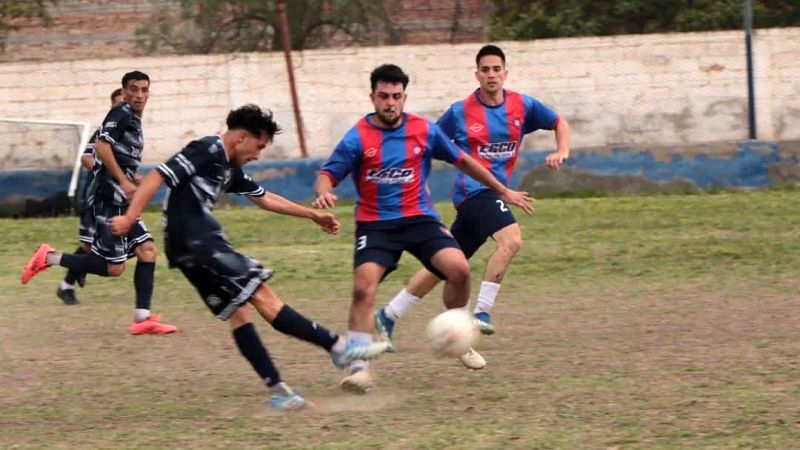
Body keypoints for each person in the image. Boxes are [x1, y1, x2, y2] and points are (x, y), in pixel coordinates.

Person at [107, 104, 390, 410]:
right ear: (241, 137)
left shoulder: (230, 167)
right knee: (262, 294)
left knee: (237, 312)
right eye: (259, 146)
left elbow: (265, 198)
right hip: (199, 243)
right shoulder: (207, 148)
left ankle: (280, 391)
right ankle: (337, 347)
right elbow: (155, 178)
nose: (258, 155)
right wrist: (130, 217)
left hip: (188, 248)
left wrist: (311, 215)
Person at [312, 64, 534, 393]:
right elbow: (327, 173)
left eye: (397, 96)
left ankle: (460, 333)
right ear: (372, 97)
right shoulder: (358, 136)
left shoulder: (423, 130)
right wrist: (324, 191)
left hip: (419, 219)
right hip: (376, 225)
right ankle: (359, 369)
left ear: (405, 97)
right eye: (384, 96)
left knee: (458, 268)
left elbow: (464, 161)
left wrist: (501, 190)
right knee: (363, 288)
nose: (390, 103)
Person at [375, 44, 571, 357]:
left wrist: (562, 150)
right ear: (476, 74)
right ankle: (481, 312)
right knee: (512, 240)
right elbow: (426, 144)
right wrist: (418, 182)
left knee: (446, 265)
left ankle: (389, 314)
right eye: (485, 69)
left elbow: (559, 122)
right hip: (473, 192)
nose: (491, 75)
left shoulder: (523, 105)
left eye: (497, 69)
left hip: (491, 194)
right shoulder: (460, 111)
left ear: (505, 73)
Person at [22, 71, 177, 335]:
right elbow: (101, 147)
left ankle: (142, 319)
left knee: (147, 251)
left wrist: (130, 179)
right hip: (110, 200)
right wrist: (123, 181)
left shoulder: (132, 119)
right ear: (124, 91)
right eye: (134, 89)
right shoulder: (122, 113)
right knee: (114, 267)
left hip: (121, 200)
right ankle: (48, 257)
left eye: (144, 90)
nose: (140, 95)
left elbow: (114, 153)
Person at [56, 88, 124, 305]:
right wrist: (104, 170)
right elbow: (86, 157)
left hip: (113, 201)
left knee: (94, 249)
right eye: (119, 104)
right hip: (95, 198)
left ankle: (71, 278)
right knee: (88, 247)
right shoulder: (104, 131)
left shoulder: (128, 132)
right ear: (112, 107)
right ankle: (67, 282)